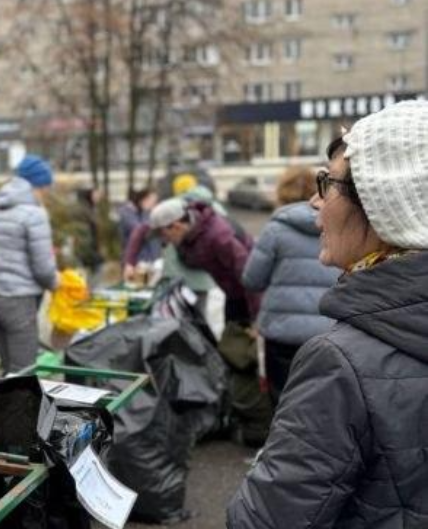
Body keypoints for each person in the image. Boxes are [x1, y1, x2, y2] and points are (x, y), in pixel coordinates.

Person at [227, 100, 428, 529]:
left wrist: (264, 469)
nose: (316, 202)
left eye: (329, 183)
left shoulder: (341, 363)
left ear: (384, 204)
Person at [241, 166, 339, 404]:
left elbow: (252, 280)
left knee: (284, 400)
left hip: (281, 331)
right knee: (323, 402)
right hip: (328, 331)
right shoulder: (337, 226)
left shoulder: (275, 229)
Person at [0, 154, 59, 373]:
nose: (46, 193)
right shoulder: (34, 214)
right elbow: (43, 269)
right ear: (37, 185)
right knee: (24, 373)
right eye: (45, 188)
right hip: (19, 302)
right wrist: (56, 282)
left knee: (7, 371)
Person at [138, 196, 259, 324]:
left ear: (177, 226)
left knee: (238, 334)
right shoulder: (187, 233)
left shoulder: (219, 237)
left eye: (163, 235)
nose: (164, 241)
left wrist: (257, 318)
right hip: (232, 292)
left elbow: (251, 276)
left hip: (251, 294)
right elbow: (141, 231)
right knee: (230, 331)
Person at [117, 188, 161, 266]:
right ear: (143, 200)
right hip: (135, 262)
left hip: (148, 260)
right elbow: (142, 231)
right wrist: (147, 211)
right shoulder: (126, 213)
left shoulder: (141, 213)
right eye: (153, 202)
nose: (155, 205)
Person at [73, 186, 106, 283]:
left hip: (91, 249)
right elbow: (84, 234)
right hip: (86, 251)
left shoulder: (91, 208)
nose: (98, 197)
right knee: (89, 279)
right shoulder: (83, 210)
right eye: (95, 194)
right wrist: (90, 253)